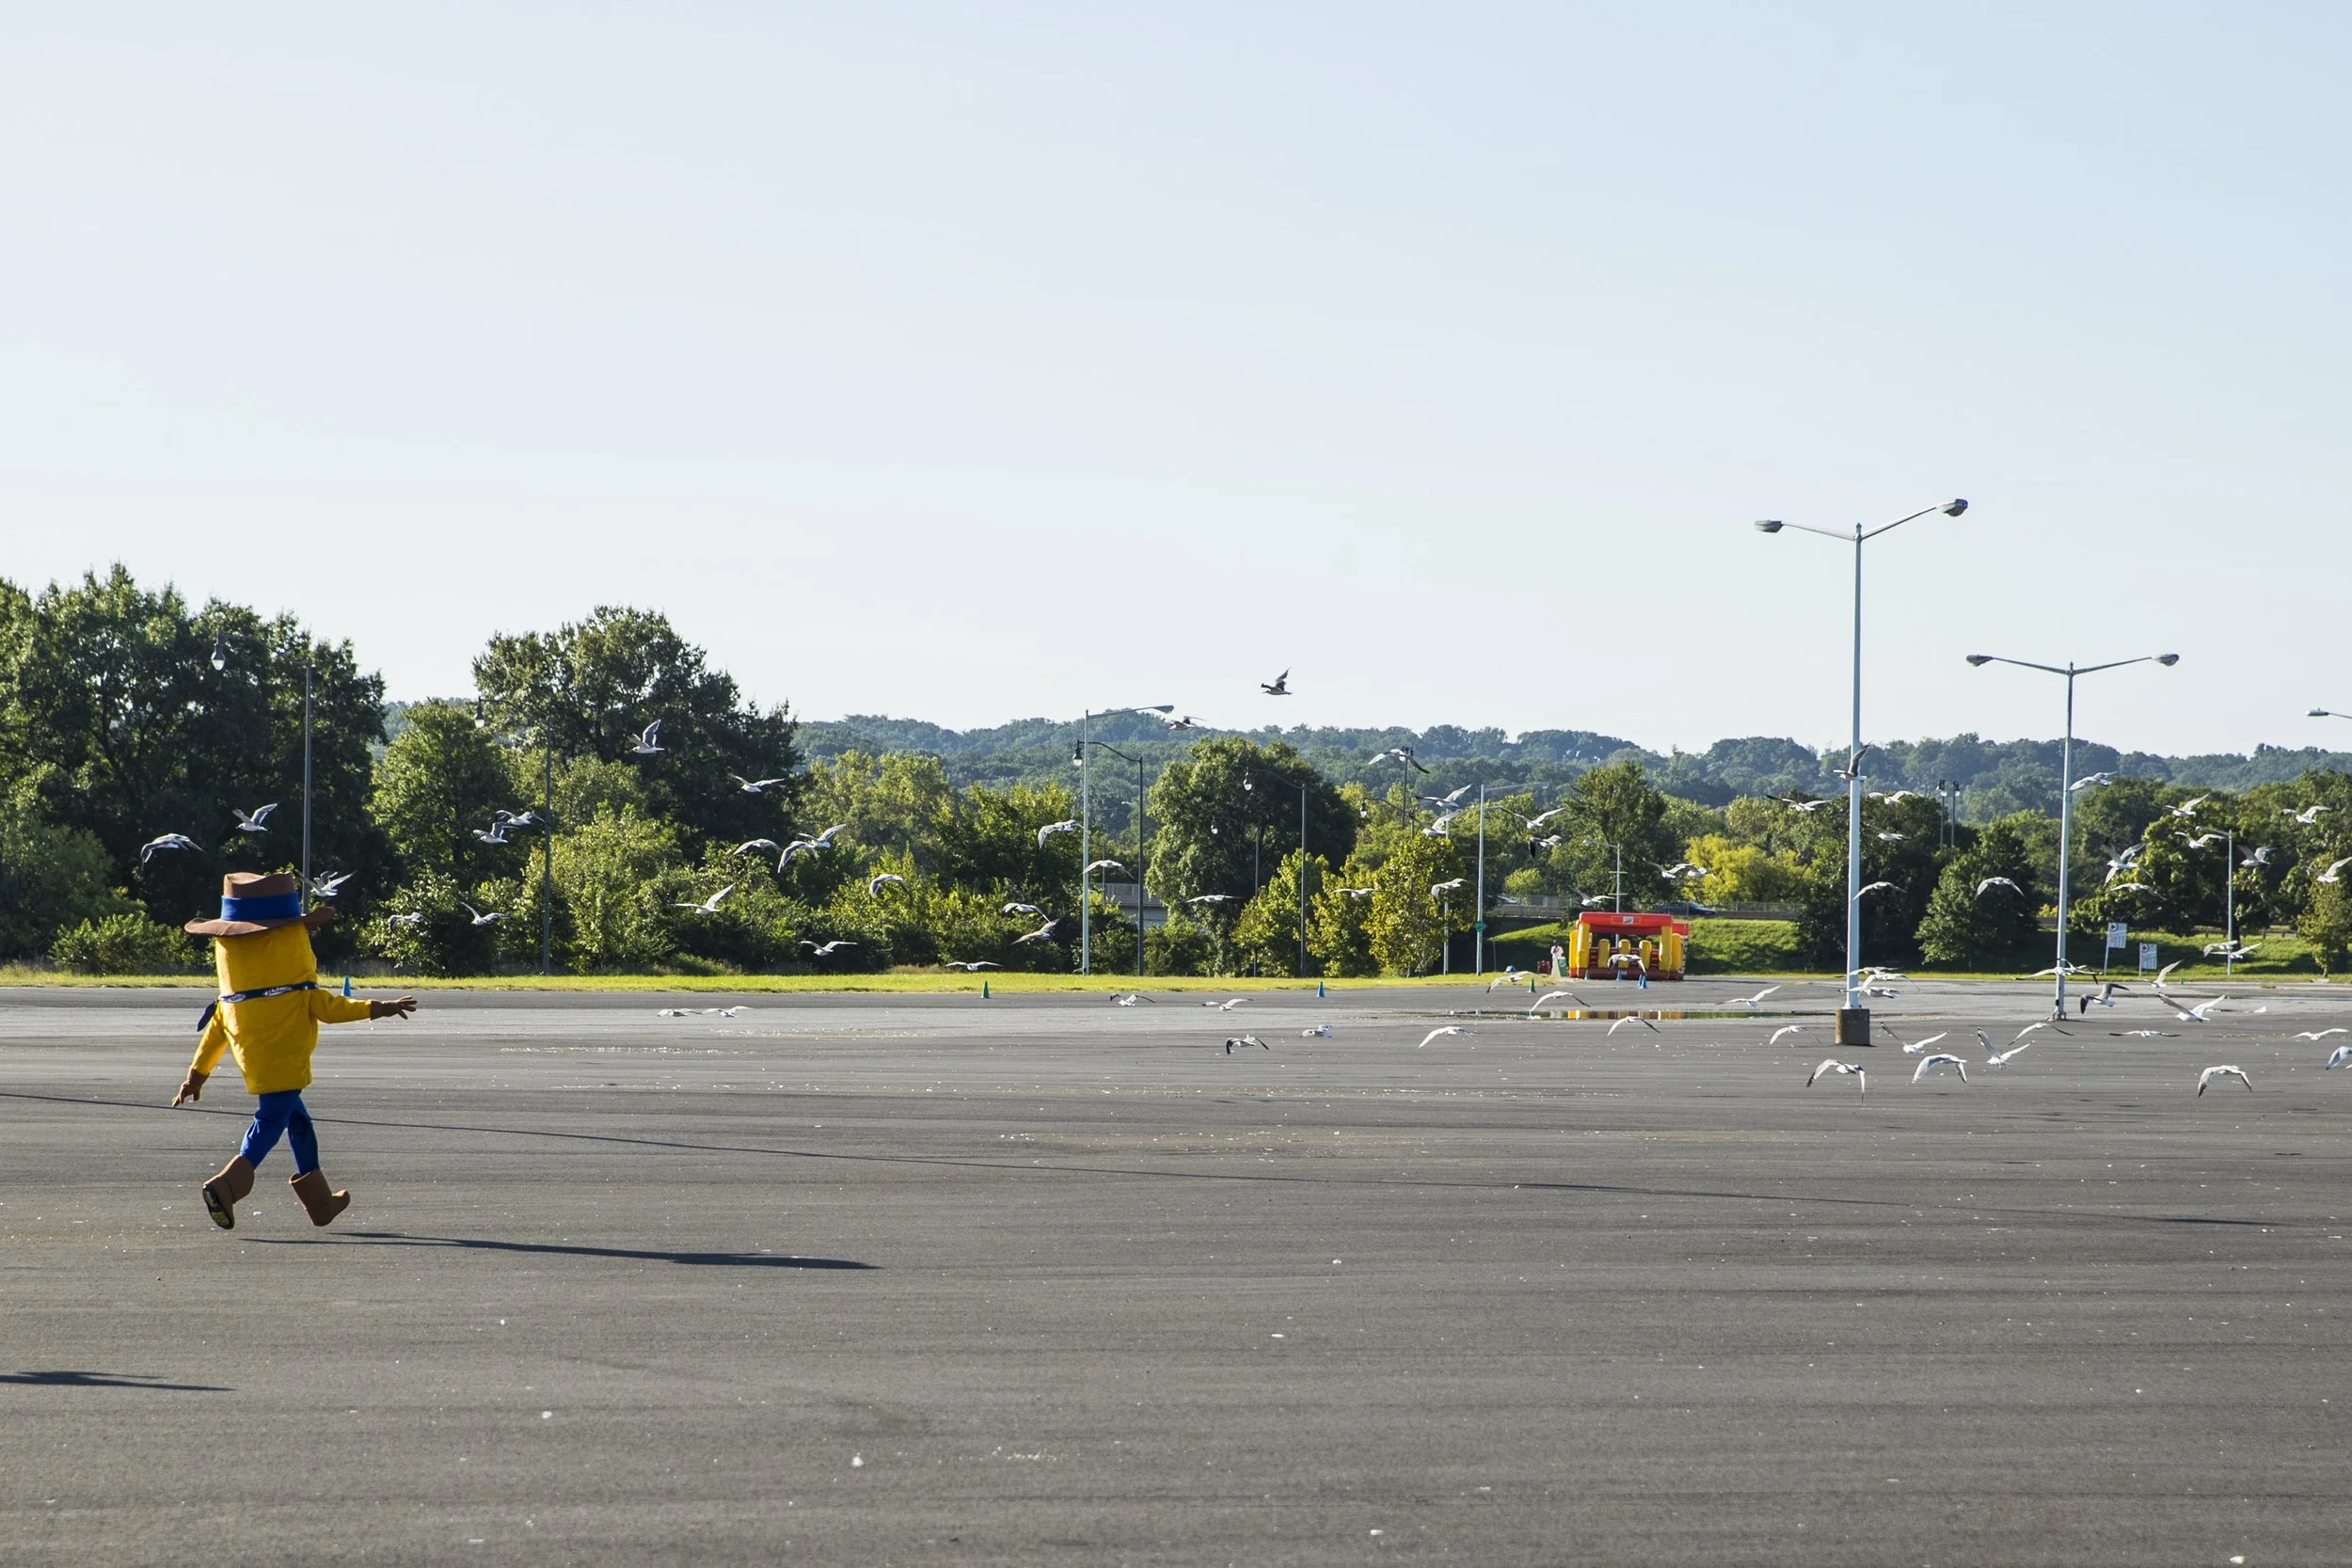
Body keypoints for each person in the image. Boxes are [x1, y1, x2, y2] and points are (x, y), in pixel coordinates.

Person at [169, 872, 418, 1229]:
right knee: (270, 1122)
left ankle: (320, 1204)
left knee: (297, 1121)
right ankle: (225, 1187)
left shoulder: (230, 1002)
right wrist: (381, 1006)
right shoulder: (300, 994)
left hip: (256, 1065)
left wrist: (195, 1078)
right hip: (284, 1064)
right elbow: (336, 1009)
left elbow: (213, 1038)